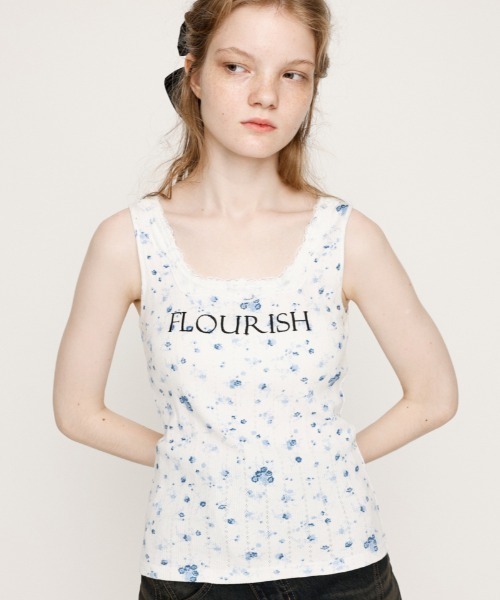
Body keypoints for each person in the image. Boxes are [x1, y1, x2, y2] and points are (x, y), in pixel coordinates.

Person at [53, 1, 458, 599]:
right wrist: (199, 459)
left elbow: (435, 396)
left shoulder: (348, 236)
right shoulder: (128, 240)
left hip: (343, 571)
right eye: (237, 66)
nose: (266, 95)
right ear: (194, 73)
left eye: (292, 74)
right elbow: (76, 411)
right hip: (192, 572)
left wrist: (318, 462)